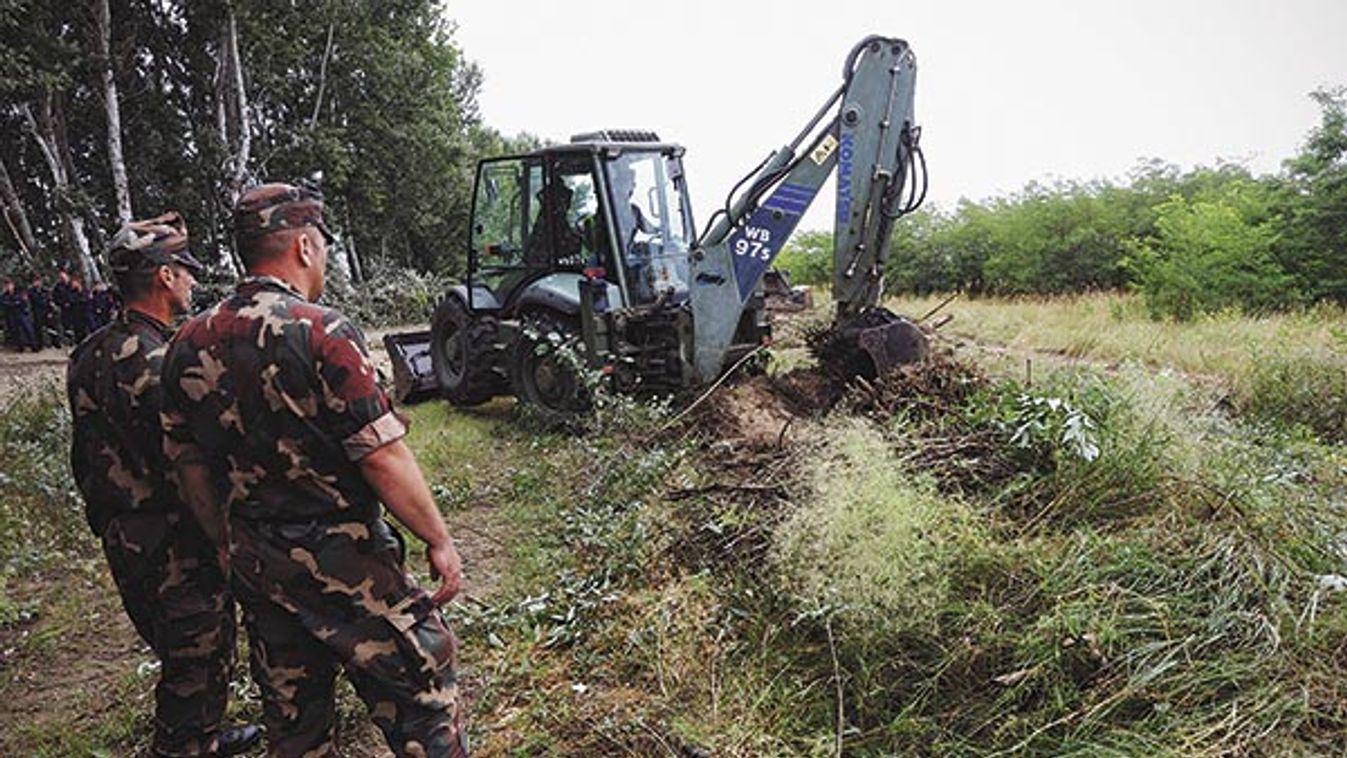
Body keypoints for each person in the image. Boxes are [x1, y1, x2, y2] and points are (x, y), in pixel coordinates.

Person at [160, 183, 468, 758]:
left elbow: (188, 465)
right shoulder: (321, 330)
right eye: (322, 246)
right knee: (423, 704)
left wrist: (224, 542)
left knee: (295, 727)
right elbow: (381, 454)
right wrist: (438, 538)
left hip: (258, 562)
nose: (324, 257)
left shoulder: (186, 342)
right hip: (347, 562)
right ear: (304, 246)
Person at [66, 211, 260, 758]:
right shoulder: (164, 360)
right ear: (163, 276)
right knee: (196, 654)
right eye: (185, 269)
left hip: (125, 531)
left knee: (184, 646)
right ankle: (183, 744)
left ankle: (204, 736)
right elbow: (195, 457)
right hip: (173, 533)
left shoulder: (89, 353)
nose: (193, 280)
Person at [1, 276, 37, 351]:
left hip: (21, 313)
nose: (8, 287)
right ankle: (20, 346)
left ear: (12, 284)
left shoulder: (19, 291)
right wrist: (14, 303)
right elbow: (4, 303)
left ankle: (34, 346)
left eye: (9, 285)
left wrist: (13, 304)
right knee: (15, 331)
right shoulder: (4, 295)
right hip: (11, 314)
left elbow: (23, 301)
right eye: (6, 285)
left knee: (28, 329)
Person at [28, 273, 57, 349]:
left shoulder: (45, 290)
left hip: (46, 310)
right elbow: (34, 300)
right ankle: (39, 345)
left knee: (51, 327)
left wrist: (50, 311)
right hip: (37, 311)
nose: (37, 283)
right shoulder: (31, 291)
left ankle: (55, 343)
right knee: (38, 329)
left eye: (38, 281)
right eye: (35, 281)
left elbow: (49, 300)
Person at [69, 273, 94, 344]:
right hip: (76, 314)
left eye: (74, 282)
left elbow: (88, 300)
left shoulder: (85, 290)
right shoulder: (72, 292)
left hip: (85, 313)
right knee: (78, 331)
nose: (73, 284)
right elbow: (72, 300)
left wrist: (82, 298)